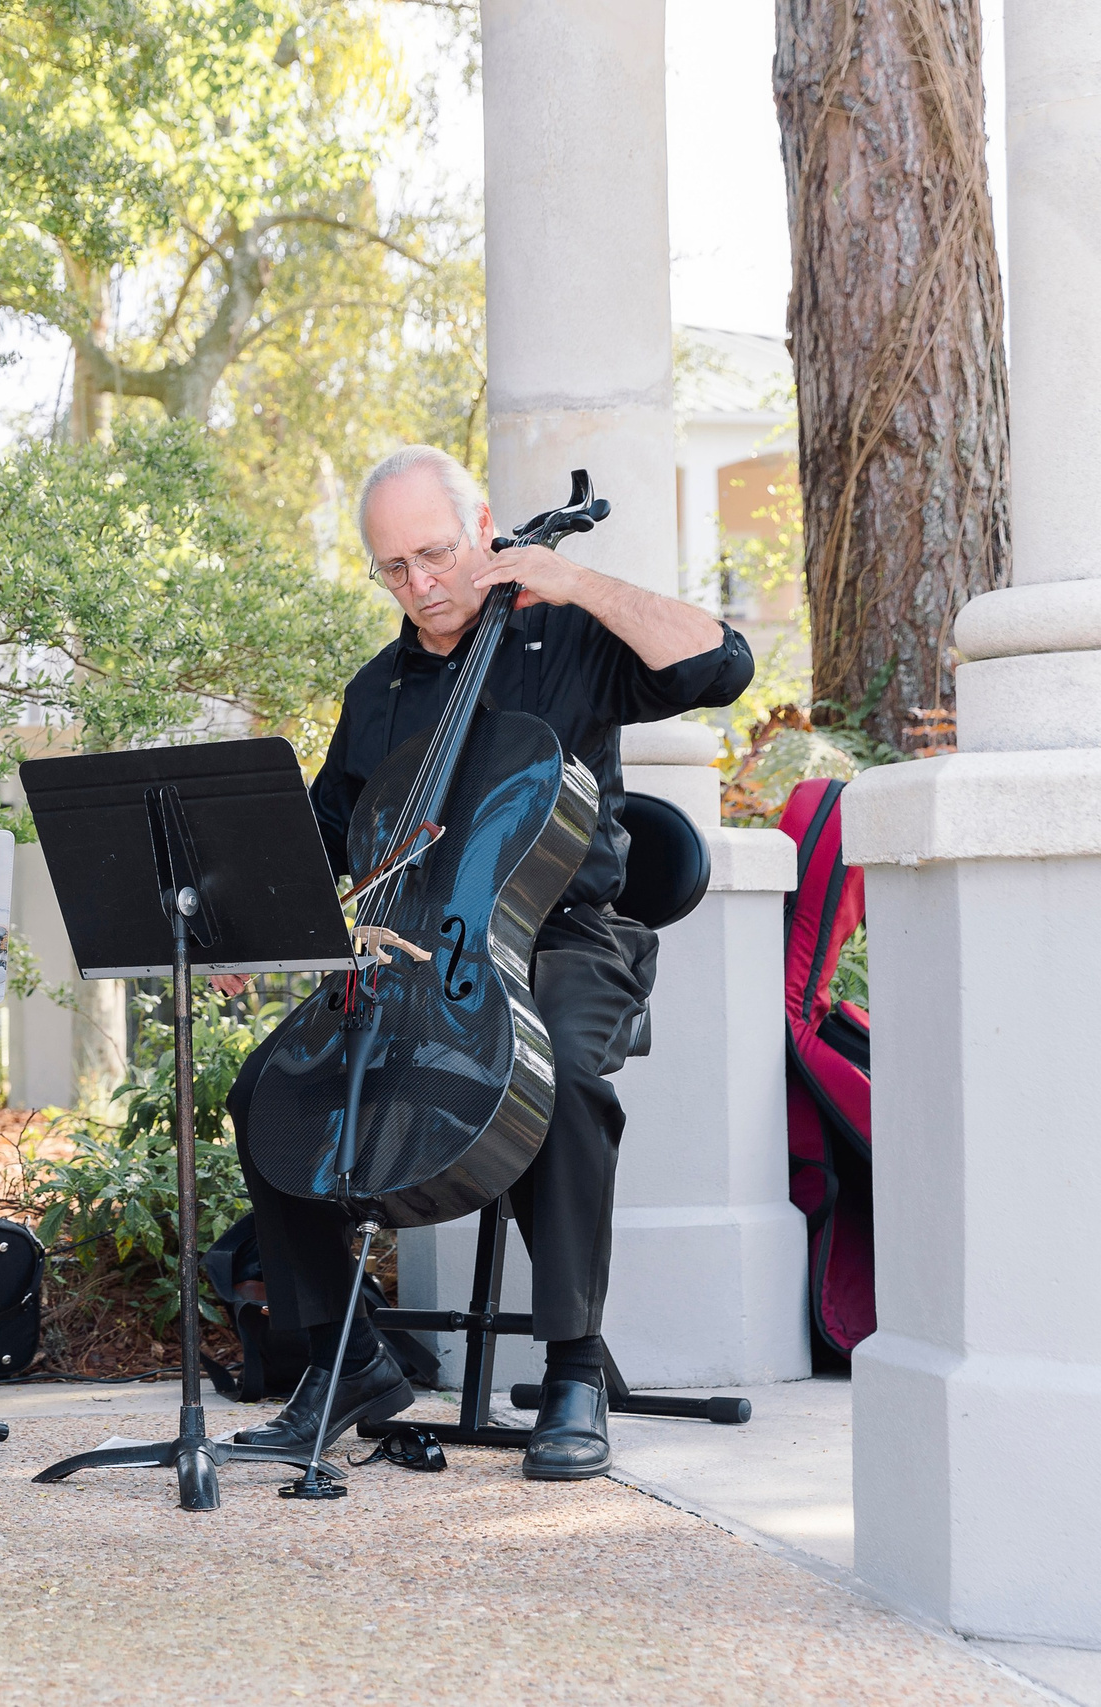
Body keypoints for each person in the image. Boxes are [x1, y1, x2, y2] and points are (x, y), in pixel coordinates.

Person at [213, 445, 754, 1481]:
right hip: (419, 951)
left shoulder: (564, 638)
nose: (420, 586)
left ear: (485, 528)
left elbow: (717, 666)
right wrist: (249, 919)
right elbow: (327, 835)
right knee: (267, 1092)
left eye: (435, 553)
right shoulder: (377, 692)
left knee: (555, 1068)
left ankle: (571, 1370)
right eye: (393, 569)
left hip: (567, 934)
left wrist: (572, 578)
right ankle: (348, 1365)